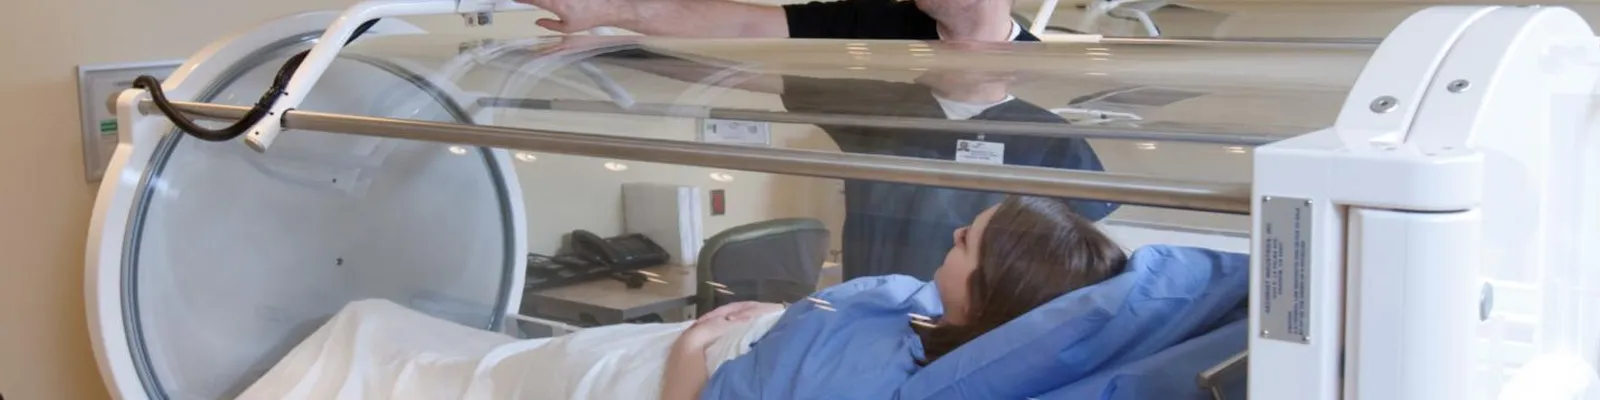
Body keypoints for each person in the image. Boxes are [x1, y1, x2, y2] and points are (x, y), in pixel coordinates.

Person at [238, 196, 1127, 399]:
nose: (954, 231)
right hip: (661, 348)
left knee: (453, 376)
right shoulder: (910, 304)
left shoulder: (873, 386)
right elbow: (822, 317)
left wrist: (695, 348)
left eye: (970, 242)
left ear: (997, 289)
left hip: (652, 376)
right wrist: (765, 318)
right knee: (459, 354)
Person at [514, 0, 1120, 282]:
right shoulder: (879, 103)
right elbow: (744, 65)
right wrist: (616, 39)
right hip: (874, 314)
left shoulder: (1048, 137)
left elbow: (1080, 266)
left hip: (982, 330)